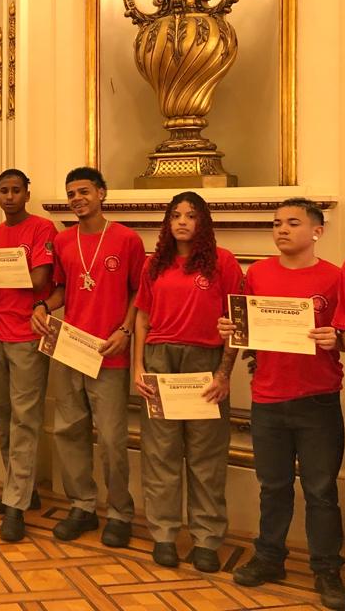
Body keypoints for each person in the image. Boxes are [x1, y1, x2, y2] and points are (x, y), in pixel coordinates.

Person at [215, 198, 345, 609]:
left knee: (321, 491)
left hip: (318, 401)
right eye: (276, 223)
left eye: (293, 222)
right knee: (272, 487)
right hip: (268, 399)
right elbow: (248, 329)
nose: (282, 230)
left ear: (317, 231)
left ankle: (327, 570)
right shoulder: (257, 273)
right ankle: (270, 557)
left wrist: (337, 339)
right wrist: (231, 328)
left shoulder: (335, 277)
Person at [31, 167, 144, 548]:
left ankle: (119, 512)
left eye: (84, 191)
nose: (77, 198)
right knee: (69, 431)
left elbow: (138, 295)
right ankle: (81, 505)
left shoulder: (127, 240)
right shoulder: (63, 241)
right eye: (71, 194)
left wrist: (125, 331)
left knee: (112, 439)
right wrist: (44, 307)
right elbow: (62, 289)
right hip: (69, 348)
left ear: (102, 193)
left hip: (108, 352)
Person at [132, 192, 243, 572]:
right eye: (175, 215)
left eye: (191, 216)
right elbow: (142, 319)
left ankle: (207, 538)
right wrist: (137, 368)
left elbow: (236, 323)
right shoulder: (154, 265)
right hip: (160, 361)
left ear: (203, 222)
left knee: (205, 457)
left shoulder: (222, 263)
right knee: (160, 453)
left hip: (205, 362)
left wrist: (224, 373)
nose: (182, 221)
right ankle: (163, 534)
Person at [0, 169, 56, 541]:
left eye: (16, 190)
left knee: (24, 420)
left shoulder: (42, 229)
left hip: (26, 336)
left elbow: (38, 280)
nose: (9, 197)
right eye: (3, 190)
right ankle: (19, 488)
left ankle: (16, 505)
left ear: (26, 193)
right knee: (3, 415)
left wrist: (0, 274)